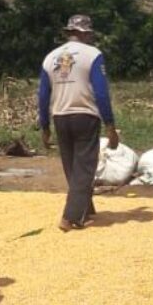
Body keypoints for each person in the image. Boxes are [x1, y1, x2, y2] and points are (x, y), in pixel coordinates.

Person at [38, 14, 119, 232]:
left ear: (69, 32)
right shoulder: (93, 55)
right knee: (84, 168)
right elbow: (101, 93)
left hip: (60, 116)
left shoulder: (50, 57)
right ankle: (71, 217)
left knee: (72, 166)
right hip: (85, 115)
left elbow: (43, 95)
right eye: (90, 33)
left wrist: (44, 126)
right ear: (85, 33)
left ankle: (86, 207)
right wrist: (110, 124)